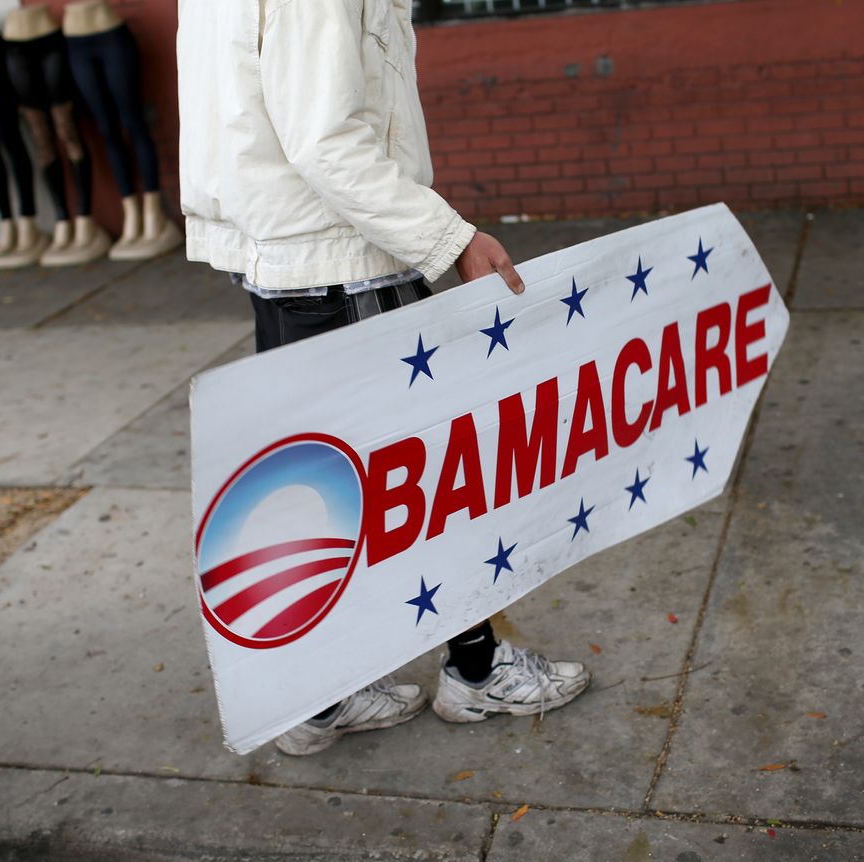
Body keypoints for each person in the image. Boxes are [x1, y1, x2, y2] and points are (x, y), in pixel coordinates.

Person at [177, 0, 590, 756]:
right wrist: (452, 239)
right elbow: (326, 141)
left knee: (329, 490)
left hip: (291, 269)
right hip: (345, 265)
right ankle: (475, 669)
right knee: (433, 482)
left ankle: (317, 695)